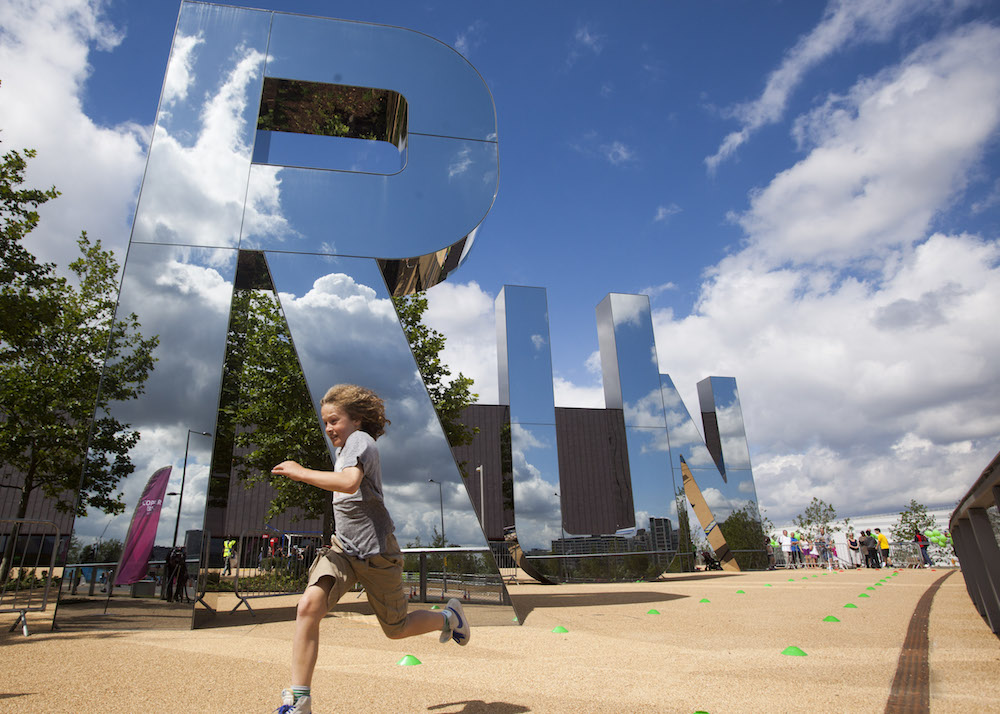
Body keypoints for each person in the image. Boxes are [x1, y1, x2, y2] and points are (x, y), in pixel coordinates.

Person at [270, 384, 469, 714]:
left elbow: (349, 483)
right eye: (325, 423)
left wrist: (300, 472)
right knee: (308, 606)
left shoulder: (360, 442)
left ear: (357, 420)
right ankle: (300, 700)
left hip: (377, 552)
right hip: (343, 550)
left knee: (397, 629)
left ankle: (448, 617)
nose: (329, 428)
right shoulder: (345, 448)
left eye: (334, 420)